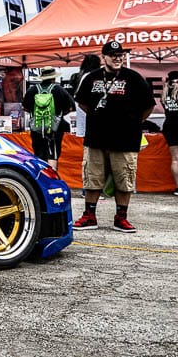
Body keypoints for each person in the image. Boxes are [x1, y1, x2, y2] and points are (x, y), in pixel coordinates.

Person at [72, 41, 154, 233]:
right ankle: (89, 216)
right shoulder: (91, 78)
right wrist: (98, 116)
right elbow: (82, 103)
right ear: (104, 57)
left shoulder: (133, 78)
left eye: (120, 55)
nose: (118, 58)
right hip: (96, 138)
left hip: (125, 139)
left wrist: (132, 123)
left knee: (124, 179)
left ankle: (121, 217)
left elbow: (148, 105)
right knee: (92, 177)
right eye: (113, 55)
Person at [22, 67, 74, 162]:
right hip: (55, 128)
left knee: (38, 153)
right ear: (53, 78)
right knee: (53, 154)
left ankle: (40, 174)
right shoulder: (59, 90)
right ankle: (52, 175)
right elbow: (69, 108)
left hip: (37, 128)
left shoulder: (32, 90)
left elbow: (25, 107)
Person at [69, 55, 101, 138]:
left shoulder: (82, 74)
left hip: (82, 106)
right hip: (87, 107)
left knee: (84, 131)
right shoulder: (91, 76)